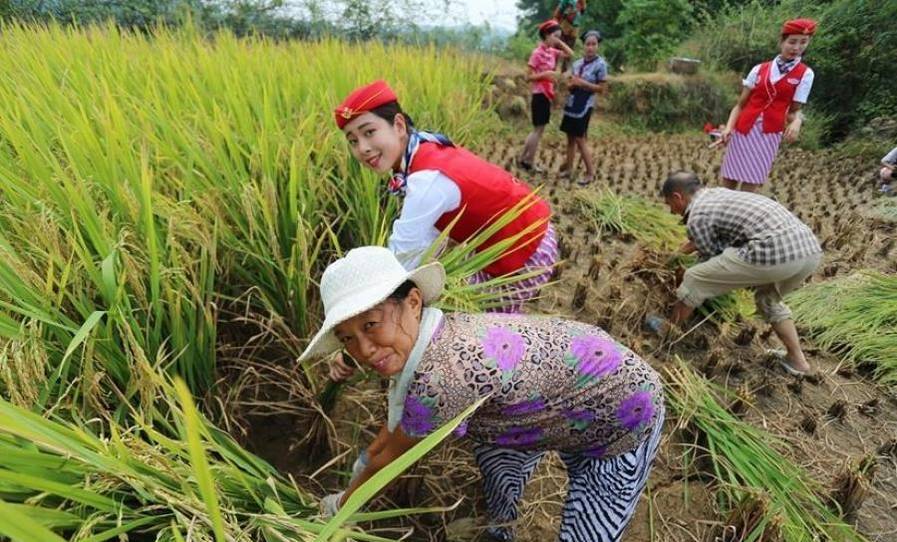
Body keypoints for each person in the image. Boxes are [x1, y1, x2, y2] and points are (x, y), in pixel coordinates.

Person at [304, 246, 665, 542]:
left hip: (622, 409)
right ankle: (500, 529)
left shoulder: (441, 381)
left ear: (413, 301)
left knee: (589, 527)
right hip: (541, 402)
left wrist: (339, 508)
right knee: (496, 459)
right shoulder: (433, 332)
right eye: (348, 338)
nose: (364, 350)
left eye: (371, 325)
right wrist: (366, 459)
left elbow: (389, 462)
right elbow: (392, 434)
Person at [646, 172, 822, 376]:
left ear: (678, 197)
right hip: (807, 251)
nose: (671, 211)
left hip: (772, 250)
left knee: (695, 277)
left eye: (669, 204)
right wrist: (676, 255)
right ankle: (798, 361)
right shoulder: (718, 196)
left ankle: (668, 331)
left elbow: (710, 258)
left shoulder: (697, 215)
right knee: (768, 300)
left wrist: (683, 277)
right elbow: (706, 240)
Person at [718, 18, 817, 192]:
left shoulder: (805, 74)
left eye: (803, 42)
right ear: (781, 41)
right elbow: (740, 105)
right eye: (792, 42)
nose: (796, 48)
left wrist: (797, 122)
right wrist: (728, 128)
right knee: (728, 182)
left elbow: (794, 111)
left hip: (769, 134)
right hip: (743, 130)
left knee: (750, 185)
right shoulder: (759, 69)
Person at [518, 20, 574, 173]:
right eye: (555, 36)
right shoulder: (537, 53)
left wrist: (559, 42)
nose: (557, 40)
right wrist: (545, 74)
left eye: (559, 37)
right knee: (538, 130)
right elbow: (528, 77)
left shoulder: (551, 52)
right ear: (546, 35)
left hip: (547, 94)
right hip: (539, 94)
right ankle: (529, 162)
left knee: (538, 130)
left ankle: (523, 159)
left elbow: (570, 54)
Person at [559, 29, 607, 186]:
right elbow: (569, 84)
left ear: (598, 46)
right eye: (588, 44)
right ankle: (568, 169)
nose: (590, 47)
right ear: (583, 46)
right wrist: (570, 84)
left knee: (580, 139)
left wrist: (582, 83)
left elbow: (601, 88)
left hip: (585, 105)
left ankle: (590, 173)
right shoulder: (577, 64)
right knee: (570, 138)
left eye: (594, 44)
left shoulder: (600, 65)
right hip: (572, 103)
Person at [553, 0, 587, 71]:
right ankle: (552, 67)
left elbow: (582, 11)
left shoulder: (582, 2)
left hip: (575, 27)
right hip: (565, 24)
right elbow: (557, 13)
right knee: (558, 47)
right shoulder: (566, 1)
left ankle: (565, 71)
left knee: (569, 49)